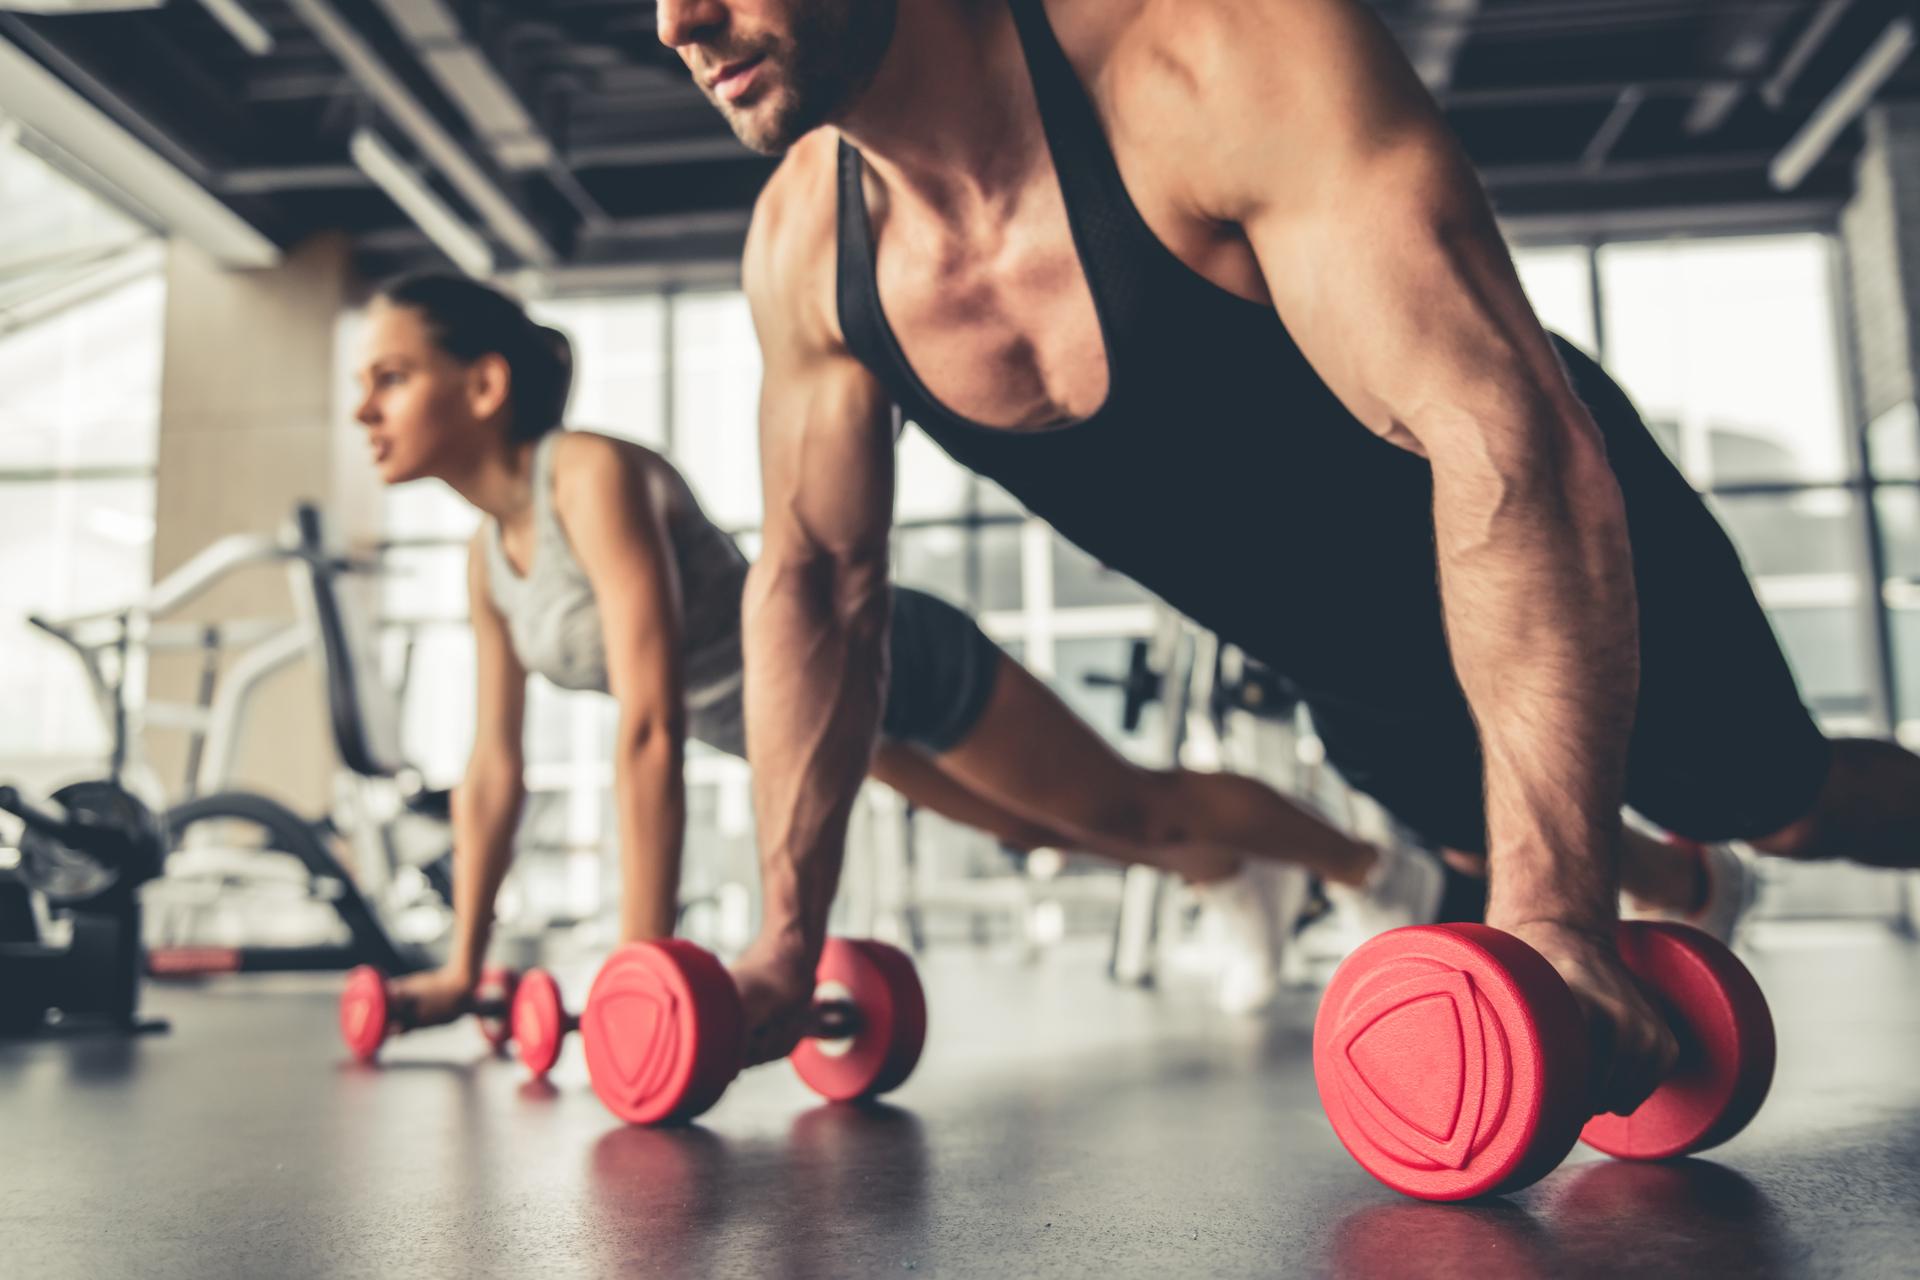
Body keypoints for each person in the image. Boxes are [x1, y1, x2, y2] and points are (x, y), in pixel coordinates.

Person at [659, 0, 1920, 1106]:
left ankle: (1697, 857)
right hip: (1348, 667)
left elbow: (1498, 436)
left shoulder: (1208, 58)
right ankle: (1682, 886)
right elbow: (817, 585)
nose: (676, 21)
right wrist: (785, 946)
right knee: (1469, 844)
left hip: (1555, 550)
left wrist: (1557, 921)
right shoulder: (804, 252)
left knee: (1785, 806)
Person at [351, 271, 1441, 1022]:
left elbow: (650, 722)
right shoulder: (487, 560)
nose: (362, 408)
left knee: (1129, 807)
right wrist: (460, 965)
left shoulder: (587, 474)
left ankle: (1373, 867)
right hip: (821, 725)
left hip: (887, 657)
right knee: (1029, 825)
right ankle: (1224, 873)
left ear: (485, 385)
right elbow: (492, 771)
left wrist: (645, 965)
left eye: (390, 377)